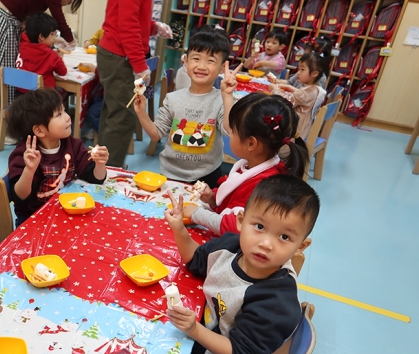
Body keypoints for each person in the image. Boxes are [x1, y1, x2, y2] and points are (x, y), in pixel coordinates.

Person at [164, 174, 320, 354]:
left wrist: (193, 330)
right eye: (259, 226)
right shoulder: (231, 246)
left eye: (284, 237)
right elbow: (196, 260)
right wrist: (179, 229)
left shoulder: (276, 302)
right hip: (201, 332)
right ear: (240, 221)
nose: (266, 243)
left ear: (301, 246)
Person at [182, 93, 310, 236]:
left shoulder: (267, 187)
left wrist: (197, 214)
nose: (230, 135)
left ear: (250, 143)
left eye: (233, 132)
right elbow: (234, 198)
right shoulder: (251, 165)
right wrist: (212, 197)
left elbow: (237, 226)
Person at [0, 0, 81, 146]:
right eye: (71, 0)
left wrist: (54, 39)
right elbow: (59, 20)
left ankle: (0, 123)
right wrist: (72, 42)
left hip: (3, 19)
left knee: (3, 73)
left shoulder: (27, 41)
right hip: (5, 21)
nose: (68, 3)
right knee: (3, 74)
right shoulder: (50, 54)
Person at [134, 27, 233, 189]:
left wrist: (228, 96)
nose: (202, 66)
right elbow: (155, 134)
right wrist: (141, 113)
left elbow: (229, 130)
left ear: (222, 68)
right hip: (170, 173)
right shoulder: (172, 98)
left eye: (210, 61)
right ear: (186, 62)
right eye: (196, 58)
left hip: (208, 175)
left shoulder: (221, 100)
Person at [6, 88, 108, 225]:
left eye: (64, 110)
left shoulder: (72, 144)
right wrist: (29, 170)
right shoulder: (25, 155)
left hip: (64, 213)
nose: (67, 117)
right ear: (39, 130)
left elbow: (94, 178)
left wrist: (100, 164)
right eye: (59, 114)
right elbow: (20, 198)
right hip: (34, 220)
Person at [97, 0, 173, 168]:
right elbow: (127, 25)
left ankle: (103, 166)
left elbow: (129, 17)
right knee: (122, 117)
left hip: (117, 54)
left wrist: (152, 27)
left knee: (114, 115)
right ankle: (109, 169)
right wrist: (140, 65)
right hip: (119, 56)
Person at [271, 52, 326, 140]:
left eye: (302, 70)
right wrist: (290, 88)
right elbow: (300, 95)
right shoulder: (315, 88)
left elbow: (288, 101)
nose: (298, 73)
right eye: (298, 69)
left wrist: (274, 90)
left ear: (314, 74)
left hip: (295, 130)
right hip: (303, 127)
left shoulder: (306, 92)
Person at [15, 14, 67, 91]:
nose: (54, 38)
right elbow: (63, 71)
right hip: (42, 95)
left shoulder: (21, 45)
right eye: (52, 34)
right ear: (41, 37)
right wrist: (59, 57)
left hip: (21, 93)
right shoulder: (51, 54)